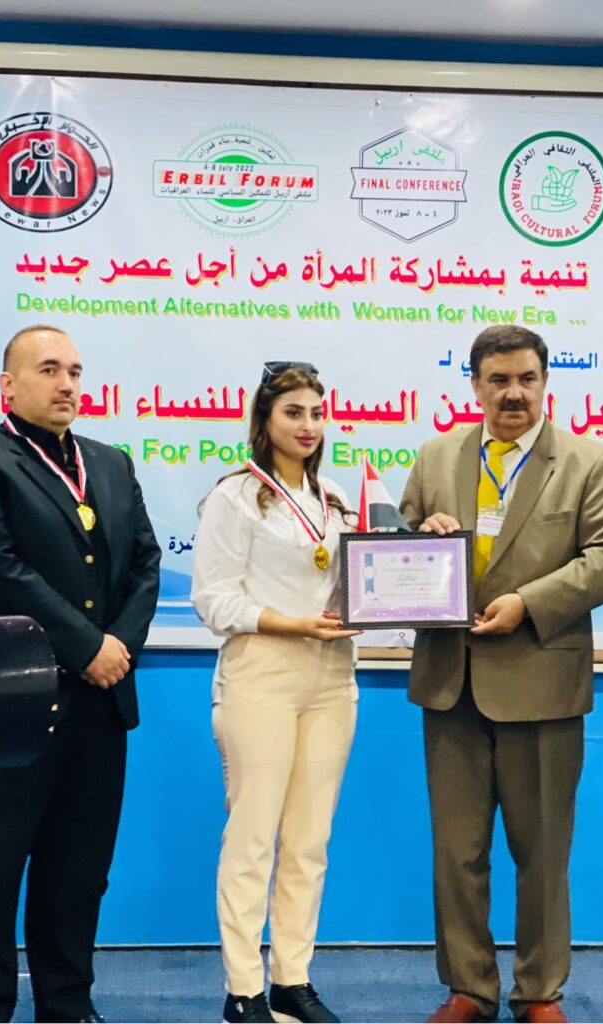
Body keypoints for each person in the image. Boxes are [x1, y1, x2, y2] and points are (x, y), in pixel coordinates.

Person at [399, 325, 603, 1024]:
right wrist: (419, 540)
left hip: (542, 683)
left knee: (543, 853)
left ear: (544, 382)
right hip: (450, 684)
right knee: (457, 853)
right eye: (498, 380)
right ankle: (468, 988)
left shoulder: (590, 461)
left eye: (526, 379)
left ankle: (539, 992)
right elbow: (394, 545)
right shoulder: (435, 457)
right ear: (474, 385)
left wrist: (528, 603)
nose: (513, 393)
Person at [0, 324, 161, 1023]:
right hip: (10, 706)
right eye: (48, 370)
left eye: (74, 371)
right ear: (7, 385)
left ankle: (68, 1005)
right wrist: (86, 646)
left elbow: (145, 563)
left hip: (101, 706)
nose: (67, 383)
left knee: (78, 873)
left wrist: (117, 647)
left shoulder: (111, 463)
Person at [191, 362, 360, 1024]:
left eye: (317, 413)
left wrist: (419, 548)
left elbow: (365, 581)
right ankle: (243, 990)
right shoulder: (235, 496)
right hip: (260, 672)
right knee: (253, 837)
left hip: (333, 678)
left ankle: (293, 979)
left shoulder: (336, 498)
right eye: (293, 412)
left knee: (310, 840)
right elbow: (213, 600)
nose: (309, 425)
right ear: (264, 419)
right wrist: (292, 623)